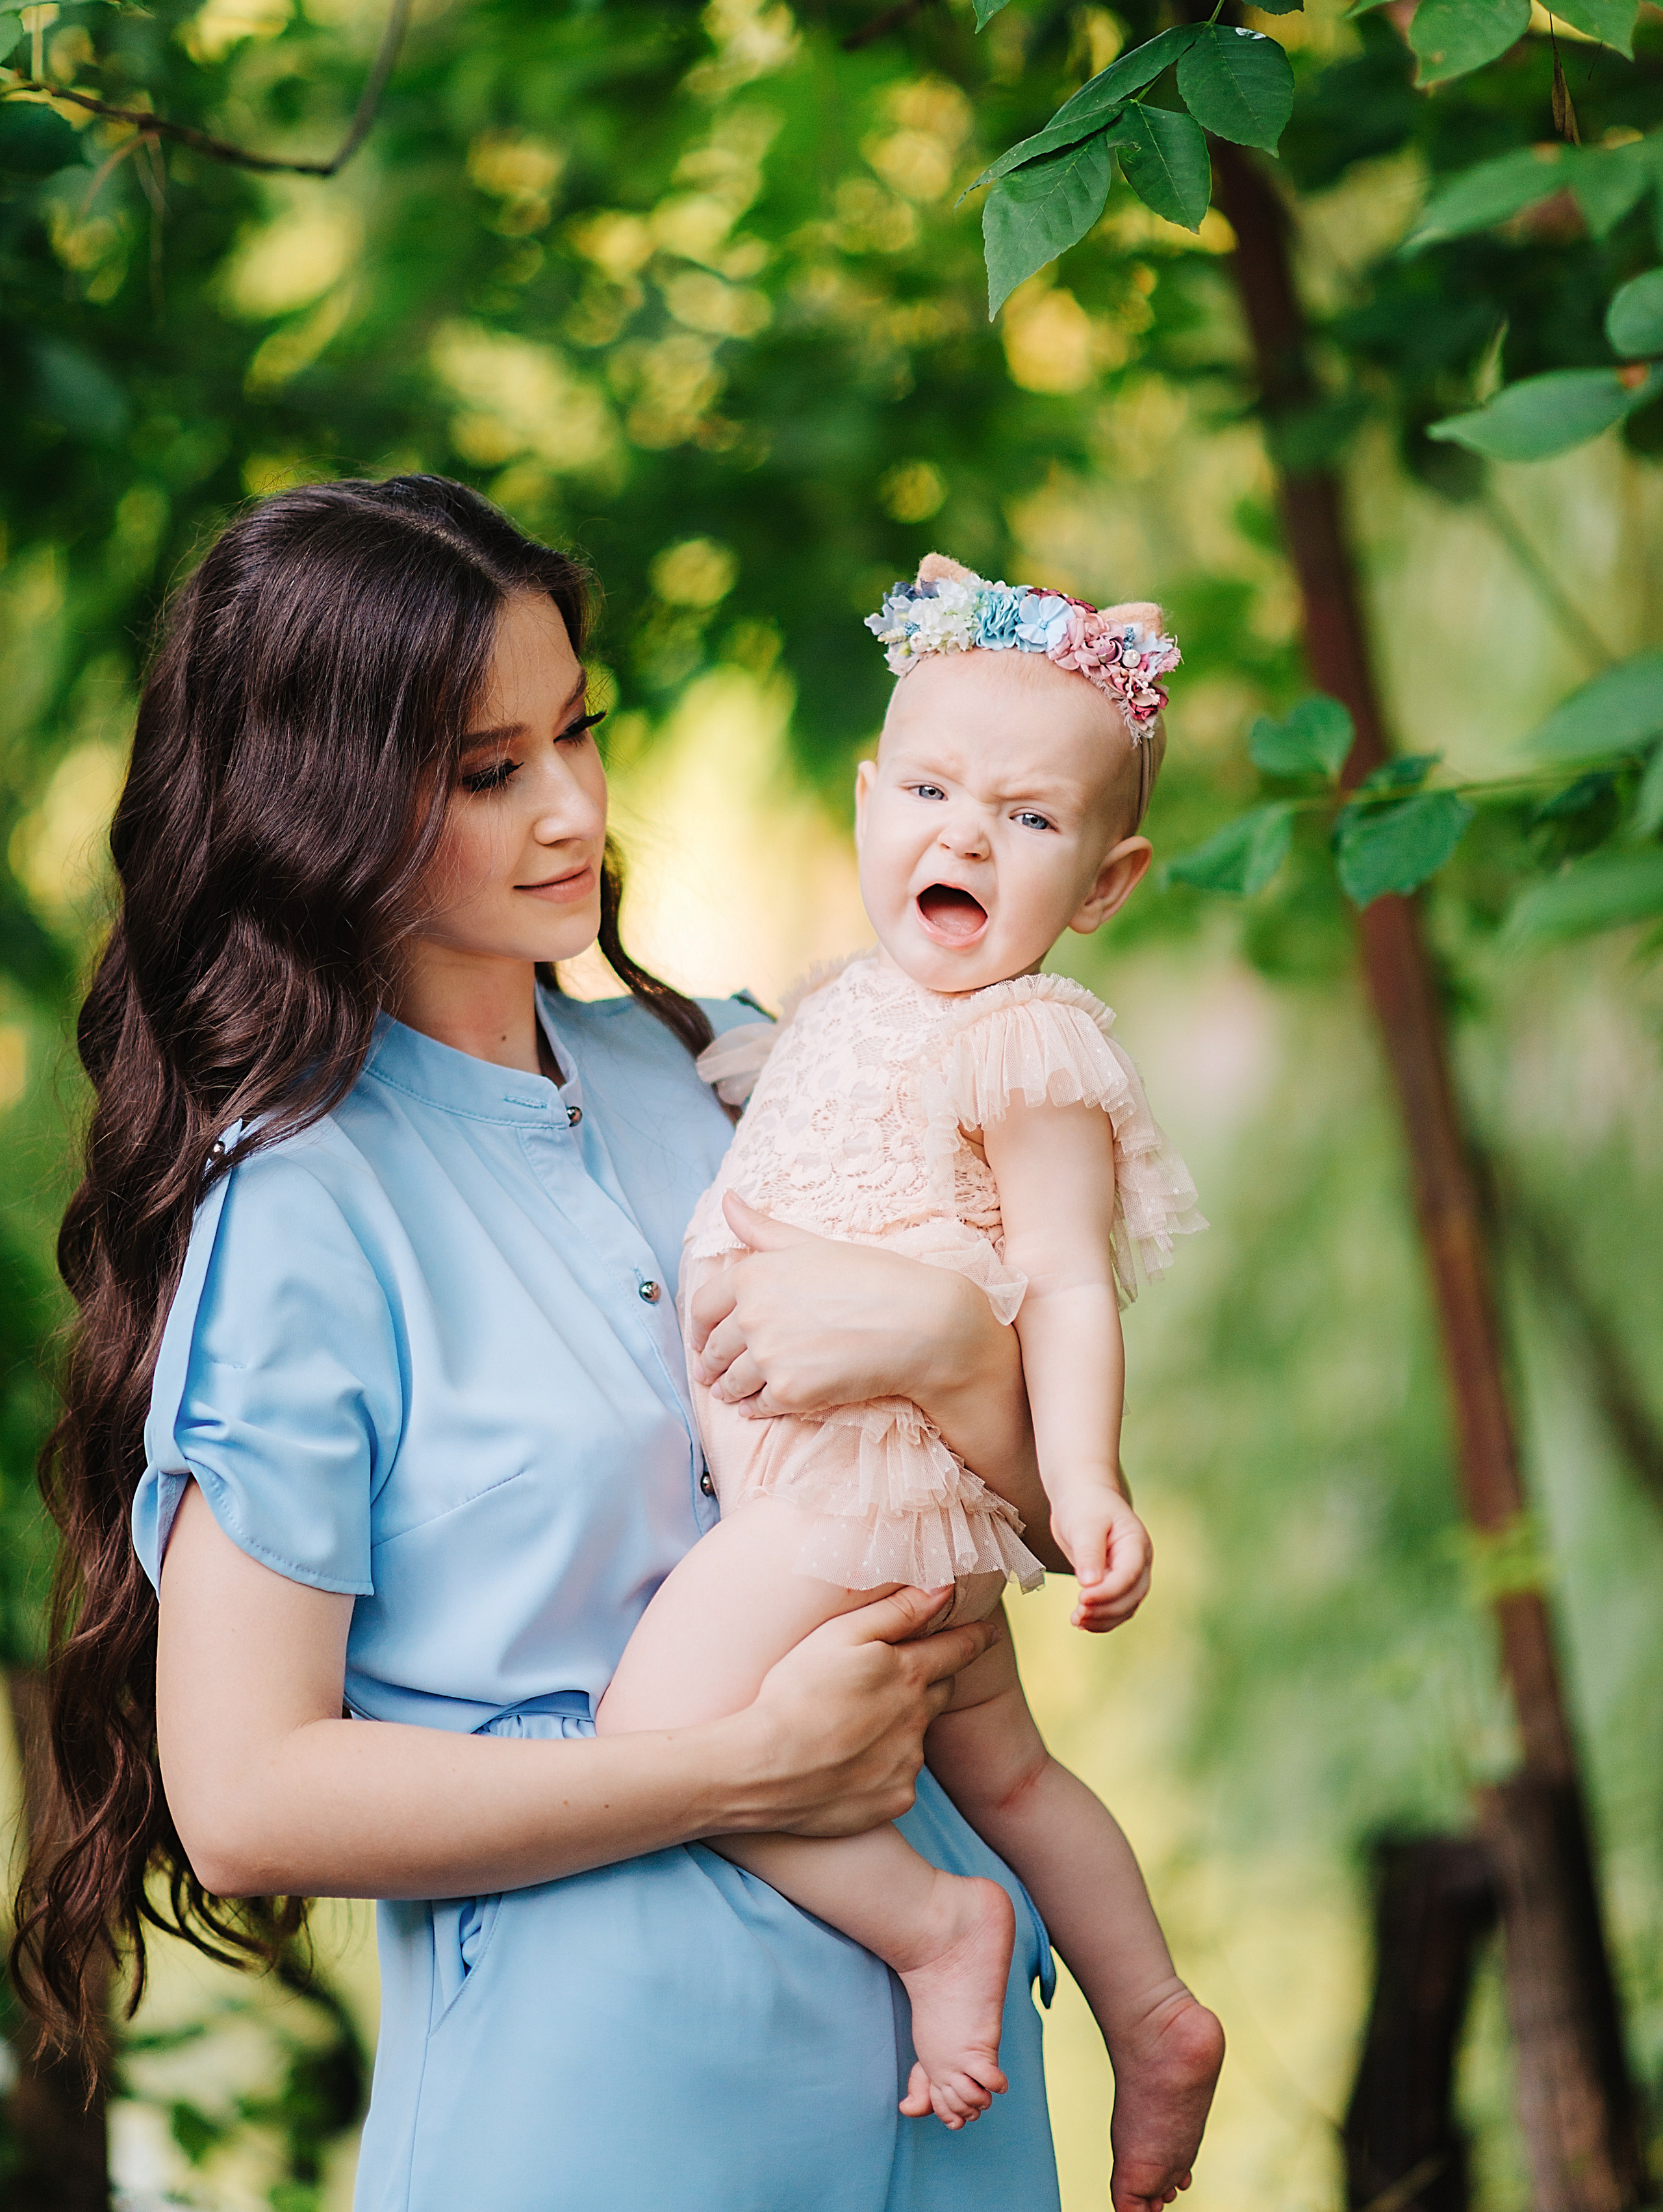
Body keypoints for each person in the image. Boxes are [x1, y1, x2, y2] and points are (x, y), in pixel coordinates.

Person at [13, 479, 1071, 2212]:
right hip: (606, 2113)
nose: (574, 803)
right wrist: (739, 1767)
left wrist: (960, 1351)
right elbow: (247, 1793)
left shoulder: (745, 1069)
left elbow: (1055, 1518)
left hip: (945, 2099)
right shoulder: (304, 1209)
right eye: (490, 768)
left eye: (579, 730)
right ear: (321, 806)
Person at [598, 555, 1225, 2207]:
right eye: (932, 790)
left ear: (1104, 878)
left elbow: (1069, 1282)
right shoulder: (842, 1004)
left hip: (848, 1502)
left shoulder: (1024, 1042)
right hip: (861, 1497)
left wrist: (1083, 1481)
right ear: (869, 798)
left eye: (1027, 819)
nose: (961, 835)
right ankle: (1152, 2016)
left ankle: (935, 1921)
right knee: (1007, 1771)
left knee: (654, 1730)